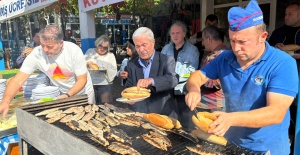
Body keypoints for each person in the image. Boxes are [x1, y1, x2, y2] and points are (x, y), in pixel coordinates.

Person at [185, 1, 298, 154]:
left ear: (262, 37)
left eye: (242, 42)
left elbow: (275, 113)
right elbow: (197, 76)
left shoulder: (282, 63)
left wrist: (231, 119)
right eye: (232, 41)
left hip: (267, 148)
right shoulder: (225, 58)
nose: (236, 48)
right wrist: (194, 89)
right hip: (232, 143)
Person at [0, 25, 95, 118]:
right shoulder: (36, 54)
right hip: (61, 94)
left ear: (61, 43)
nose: (45, 50)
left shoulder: (73, 51)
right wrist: (5, 101)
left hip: (83, 93)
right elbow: (17, 80)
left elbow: (82, 80)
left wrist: (67, 95)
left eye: (49, 47)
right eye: (42, 45)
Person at [125, 27, 179, 118]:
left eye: (144, 45)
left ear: (153, 43)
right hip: (141, 115)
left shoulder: (166, 59)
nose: (141, 50)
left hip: (164, 114)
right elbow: (129, 87)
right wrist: (129, 99)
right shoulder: (131, 64)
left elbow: (173, 79)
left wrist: (152, 81)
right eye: (137, 46)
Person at [161, 21, 199, 129]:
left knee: (185, 120)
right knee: (169, 120)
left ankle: (186, 141)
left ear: (184, 34)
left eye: (178, 33)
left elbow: (192, 73)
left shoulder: (193, 51)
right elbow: (161, 67)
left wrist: (177, 78)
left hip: (183, 90)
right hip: (168, 91)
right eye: (173, 33)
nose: (175, 36)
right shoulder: (166, 49)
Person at [199, 25, 228, 112]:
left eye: (203, 39)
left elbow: (219, 82)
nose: (202, 43)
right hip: (211, 104)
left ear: (210, 39)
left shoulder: (222, 55)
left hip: (216, 105)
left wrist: (198, 78)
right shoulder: (215, 54)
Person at [85, 35, 117, 104]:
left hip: (105, 84)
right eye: (100, 46)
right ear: (97, 44)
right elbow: (82, 65)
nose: (102, 49)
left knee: (105, 106)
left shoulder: (110, 55)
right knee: (91, 105)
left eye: (105, 47)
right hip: (91, 83)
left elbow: (114, 70)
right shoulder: (90, 52)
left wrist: (106, 70)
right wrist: (87, 64)